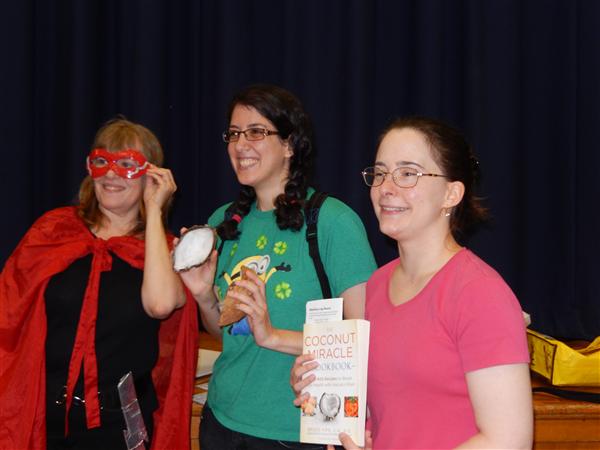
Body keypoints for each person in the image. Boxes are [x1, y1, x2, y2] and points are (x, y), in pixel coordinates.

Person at [292, 117, 533, 449]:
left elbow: (509, 440)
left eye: (408, 174)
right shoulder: (377, 285)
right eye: (380, 173)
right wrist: (323, 389)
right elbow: (391, 410)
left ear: (451, 193)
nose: (386, 187)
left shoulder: (480, 293)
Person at [179, 84, 377, 450]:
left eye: (256, 132)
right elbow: (228, 334)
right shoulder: (223, 221)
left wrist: (271, 334)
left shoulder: (332, 222)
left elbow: (364, 344)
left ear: (289, 145)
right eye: (234, 134)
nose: (240, 145)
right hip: (221, 420)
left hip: (295, 430)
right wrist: (204, 295)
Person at [0, 118, 198, 450]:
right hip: (43, 418)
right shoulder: (54, 231)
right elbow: (7, 316)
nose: (111, 174)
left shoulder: (164, 252)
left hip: (119, 426)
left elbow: (161, 304)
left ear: (151, 176)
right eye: (102, 161)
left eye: (127, 165)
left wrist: (154, 209)